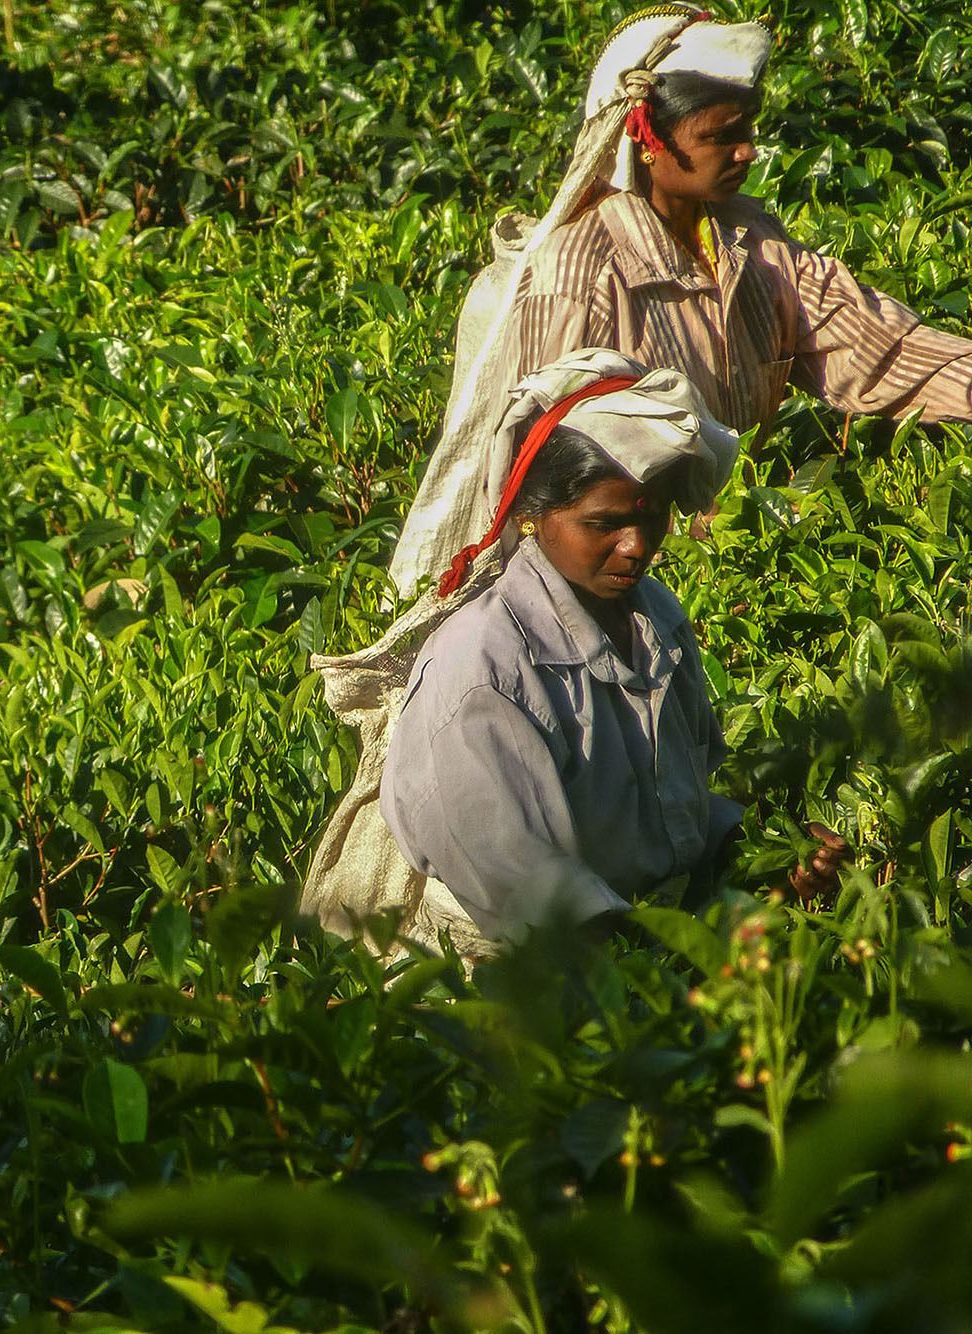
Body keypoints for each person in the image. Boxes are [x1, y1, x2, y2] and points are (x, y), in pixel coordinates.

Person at [390, 4, 972, 599]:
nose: (747, 152)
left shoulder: (755, 245)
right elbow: (538, 473)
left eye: (748, 131)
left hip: (742, 564)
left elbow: (885, 351)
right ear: (646, 139)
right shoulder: (581, 273)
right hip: (627, 584)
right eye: (722, 136)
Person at [379, 351, 846, 953]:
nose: (635, 546)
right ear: (530, 515)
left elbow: (681, 796)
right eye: (604, 524)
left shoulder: (655, 615)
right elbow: (532, 894)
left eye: (651, 520)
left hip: (654, 939)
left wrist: (763, 852)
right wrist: (670, 961)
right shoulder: (483, 671)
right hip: (523, 978)